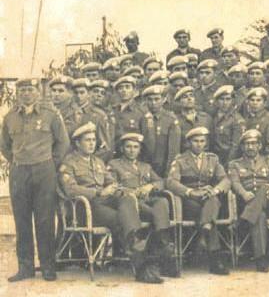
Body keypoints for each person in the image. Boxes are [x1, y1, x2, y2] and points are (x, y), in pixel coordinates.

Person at [60, 123, 160, 283]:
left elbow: (112, 182)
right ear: (77, 143)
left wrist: (117, 189)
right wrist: (99, 192)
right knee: (122, 218)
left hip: (106, 202)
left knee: (127, 199)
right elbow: (70, 190)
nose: (92, 143)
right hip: (87, 207)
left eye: (93, 140)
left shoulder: (98, 162)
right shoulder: (69, 163)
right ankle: (142, 265)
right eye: (87, 140)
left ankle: (140, 261)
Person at [1, 79, 69, 282]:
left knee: (45, 219)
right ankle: (25, 267)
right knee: (21, 220)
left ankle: (48, 266)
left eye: (30, 89)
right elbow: (4, 145)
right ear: (17, 93)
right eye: (22, 90)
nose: (26, 93)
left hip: (44, 171)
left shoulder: (50, 115)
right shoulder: (10, 117)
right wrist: (17, 162)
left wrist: (49, 165)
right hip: (19, 171)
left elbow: (62, 143)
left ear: (38, 91)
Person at [108, 133, 178, 278]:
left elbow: (161, 182)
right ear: (122, 148)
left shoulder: (145, 166)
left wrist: (150, 186)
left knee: (162, 201)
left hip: (146, 202)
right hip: (130, 204)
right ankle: (162, 250)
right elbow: (112, 186)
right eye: (128, 147)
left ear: (140, 150)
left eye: (135, 147)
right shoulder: (114, 165)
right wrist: (132, 192)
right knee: (155, 213)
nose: (132, 150)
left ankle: (163, 243)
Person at [166, 127, 231, 275]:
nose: (199, 144)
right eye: (195, 141)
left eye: (202, 141)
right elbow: (171, 182)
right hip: (189, 201)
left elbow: (225, 180)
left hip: (208, 197)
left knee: (213, 200)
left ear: (206, 143)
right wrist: (189, 192)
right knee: (210, 208)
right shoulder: (180, 160)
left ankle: (205, 230)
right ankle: (215, 260)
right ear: (189, 142)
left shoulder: (212, 159)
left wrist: (215, 190)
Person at [228, 129, 269, 272]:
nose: (250, 147)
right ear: (242, 147)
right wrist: (243, 193)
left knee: (263, 188)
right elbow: (234, 183)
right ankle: (261, 259)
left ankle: (242, 221)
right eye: (247, 144)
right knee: (259, 216)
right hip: (247, 201)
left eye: (254, 143)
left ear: (259, 146)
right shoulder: (235, 164)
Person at [139, 85, 181, 177]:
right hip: (145, 166)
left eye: (157, 99)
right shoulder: (142, 119)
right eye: (150, 100)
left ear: (164, 100)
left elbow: (173, 150)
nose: (153, 103)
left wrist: (169, 171)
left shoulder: (170, 119)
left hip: (163, 167)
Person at [174, 86, 213, 152]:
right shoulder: (175, 121)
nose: (189, 99)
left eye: (191, 96)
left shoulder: (206, 118)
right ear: (179, 102)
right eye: (185, 97)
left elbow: (212, 142)